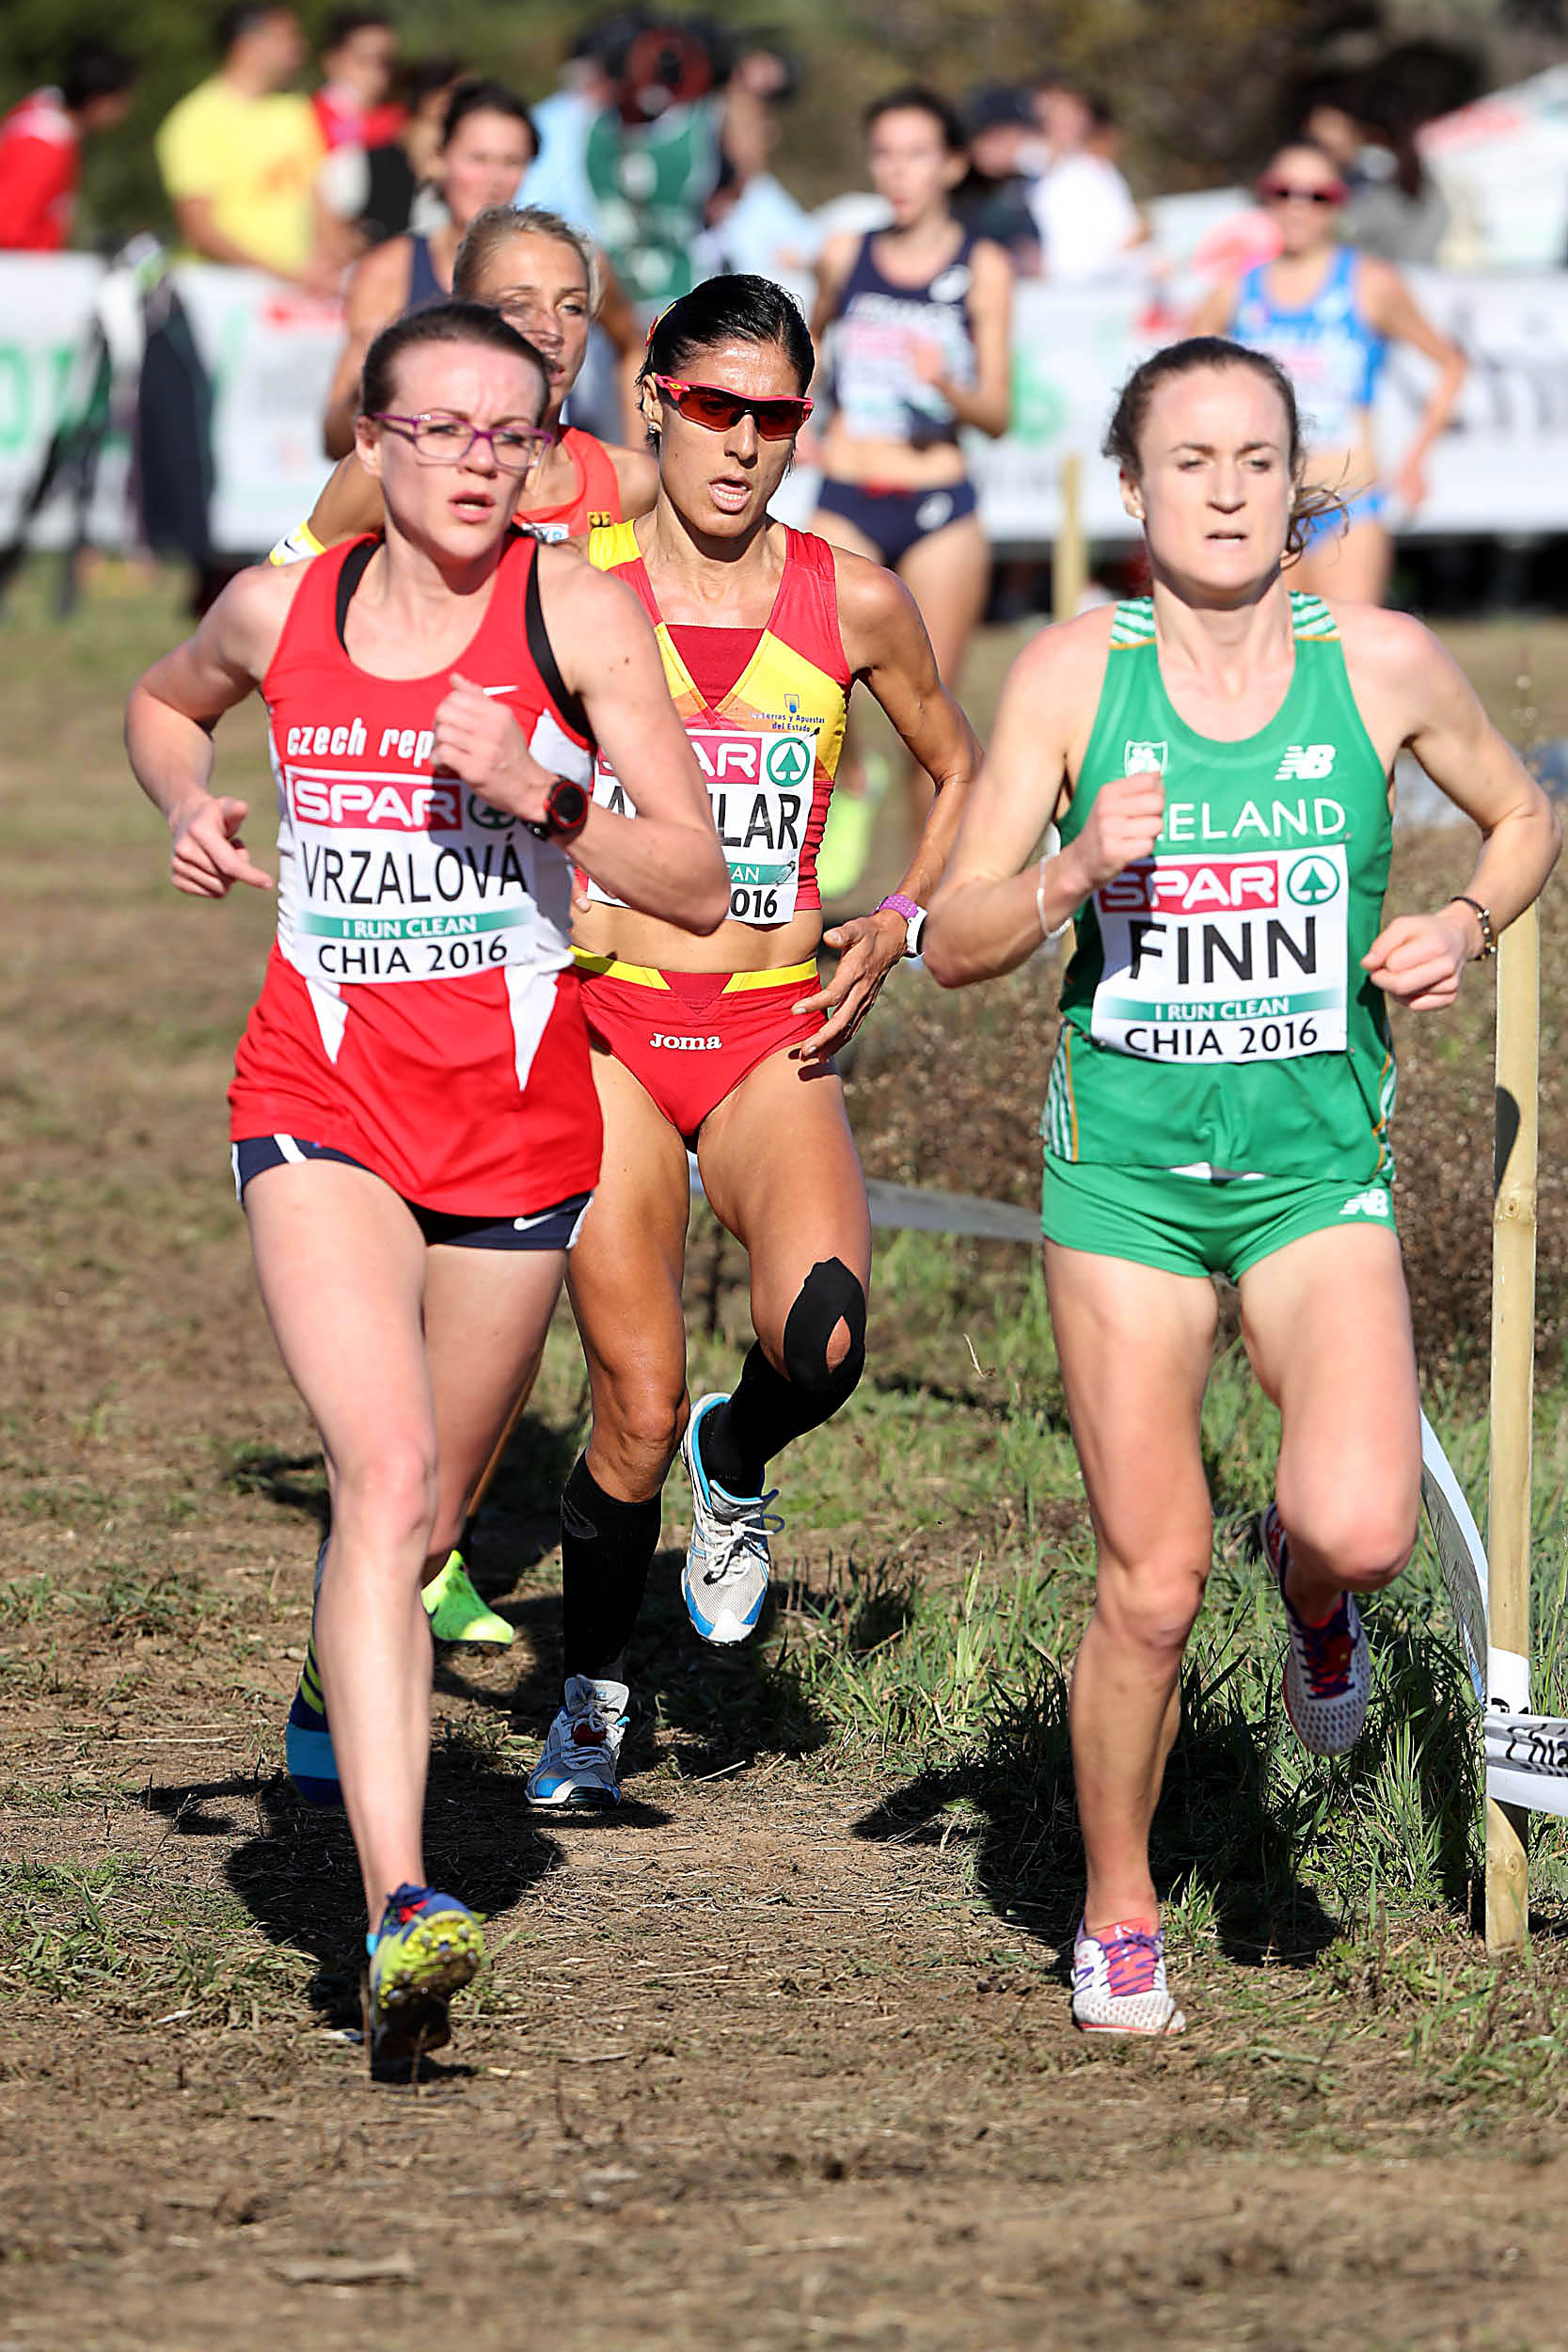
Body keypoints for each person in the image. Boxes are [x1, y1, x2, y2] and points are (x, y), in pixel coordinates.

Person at [922, 335, 1559, 2034]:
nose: (1223, 493)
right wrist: (1069, 867)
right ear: (1132, 489)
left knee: (1357, 1524)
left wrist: (1460, 924)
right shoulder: (1070, 675)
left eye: (1255, 462)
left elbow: (1522, 821)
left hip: (1311, 1176)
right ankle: (1118, 1906)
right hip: (1124, 1187)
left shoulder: (1381, 662)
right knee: (1149, 1581)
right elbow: (953, 942)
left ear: (1296, 489)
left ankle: (1313, 1596)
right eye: (1188, 463)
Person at [125, 300, 728, 2065]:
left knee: (425, 1513)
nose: (476, 460)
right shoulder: (285, 608)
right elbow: (165, 702)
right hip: (319, 1096)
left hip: (517, 1126)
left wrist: (541, 792)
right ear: (370, 443)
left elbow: (697, 881)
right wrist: (188, 801)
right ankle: (398, 1903)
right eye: (439, 429)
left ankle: (347, 1692)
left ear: (540, 452)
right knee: (381, 1474)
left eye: (508, 433)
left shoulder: (576, 611)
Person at [525, 273, 980, 1809]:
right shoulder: (567, 582)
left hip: (772, 1027)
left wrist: (902, 913)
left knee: (824, 1341)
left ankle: (740, 1460)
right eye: (712, 405)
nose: (739, 443)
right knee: (630, 1403)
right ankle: (591, 1701)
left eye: (773, 416)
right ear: (652, 400)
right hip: (603, 1023)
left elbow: (957, 764)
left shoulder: (853, 599)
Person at [810, 87, 1010, 883]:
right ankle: (852, 777)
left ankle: (920, 899)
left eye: (916, 154)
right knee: (819, 676)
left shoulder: (980, 265)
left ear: (951, 165)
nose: (897, 172)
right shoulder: (844, 252)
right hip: (850, 490)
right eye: (884, 154)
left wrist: (947, 386)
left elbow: (997, 413)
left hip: (938, 503)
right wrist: (802, 418)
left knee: (927, 714)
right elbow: (806, 346)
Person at [1193, 139, 1466, 605]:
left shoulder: (1370, 282)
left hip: (1348, 503)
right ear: (1266, 196)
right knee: (1268, 646)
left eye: (1317, 196)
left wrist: (1416, 460)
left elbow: (1451, 365)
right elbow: (1180, 380)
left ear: (1339, 202)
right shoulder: (1237, 289)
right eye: (1284, 192)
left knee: (1344, 643)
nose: (1298, 207)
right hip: (1263, 506)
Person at [322, 79, 536, 457]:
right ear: (441, 158)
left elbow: (630, 348)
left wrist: (638, 451)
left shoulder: (555, 266)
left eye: (511, 162)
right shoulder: (390, 271)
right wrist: (375, 381)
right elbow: (336, 439)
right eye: (478, 159)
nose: (493, 180)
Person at [154, 3, 341, 293]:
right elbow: (200, 230)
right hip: (224, 293)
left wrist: (329, 262)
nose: (299, 46)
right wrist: (285, 276)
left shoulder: (296, 112)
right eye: (287, 36)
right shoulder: (196, 120)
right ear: (246, 45)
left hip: (303, 291)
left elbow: (320, 199)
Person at [0, 43, 136, 252]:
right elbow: (7, 231)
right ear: (98, 102)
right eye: (121, 102)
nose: (126, 111)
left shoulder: (42, 115)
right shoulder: (42, 148)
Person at [1026, 75, 1145, 285]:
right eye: (1056, 113)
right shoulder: (1028, 167)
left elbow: (1123, 232)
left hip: (1106, 281)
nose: (1067, 121)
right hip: (1060, 287)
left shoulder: (1097, 168)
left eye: (1073, 112)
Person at [311, 6, 402, 153]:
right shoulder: (307, 118)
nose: (376, 73)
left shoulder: (398, 117)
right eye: (364, 60)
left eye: (386, 62)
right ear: (332, 61)